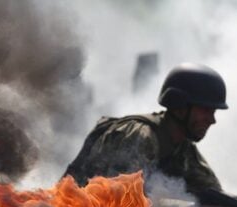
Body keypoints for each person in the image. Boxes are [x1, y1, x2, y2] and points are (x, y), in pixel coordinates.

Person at [64, 62, 227, 193]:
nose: (212, 120)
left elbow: (211, 190)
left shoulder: (182, 148)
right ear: (180, 106)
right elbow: (121, 197)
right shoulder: (138, 135)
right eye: (205, 110)